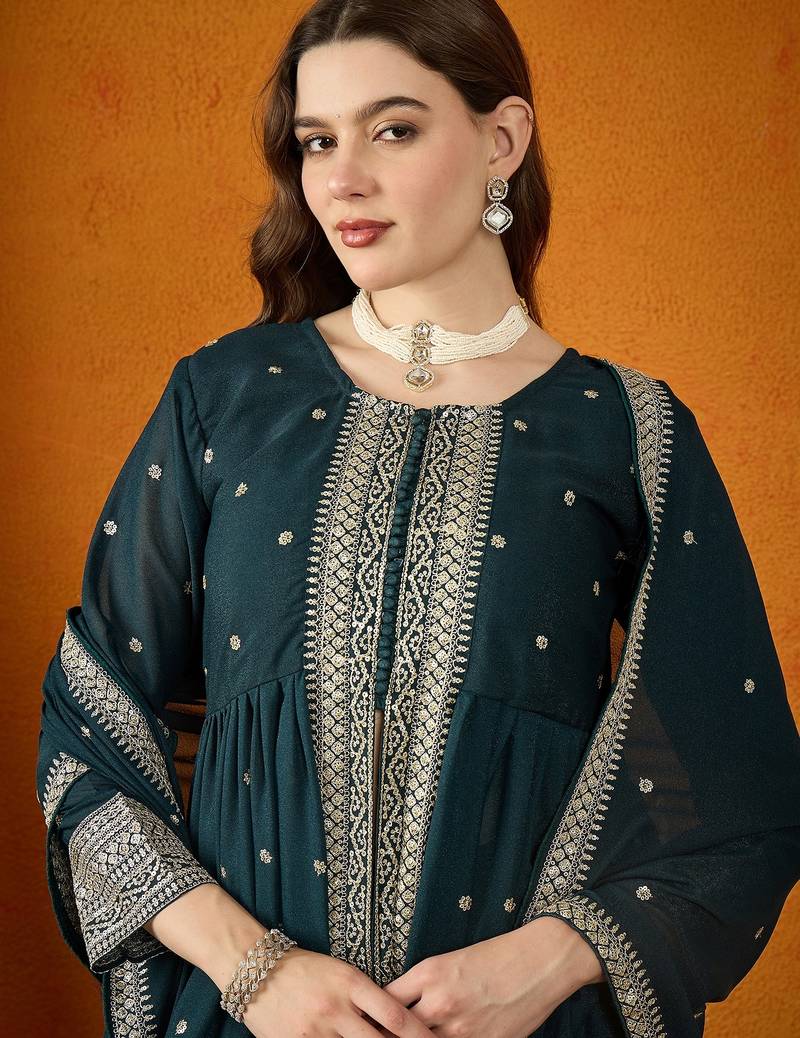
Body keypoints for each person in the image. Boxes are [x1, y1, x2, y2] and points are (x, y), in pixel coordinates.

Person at [36, 1, 800, 1036]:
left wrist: (550, 959)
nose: (341, 179)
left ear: (502, 140)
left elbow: (725, 787)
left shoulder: (627, 430)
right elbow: (89, 732)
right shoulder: (224, 399)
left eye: (392, 129)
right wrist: (255, 971)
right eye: (317, 141)